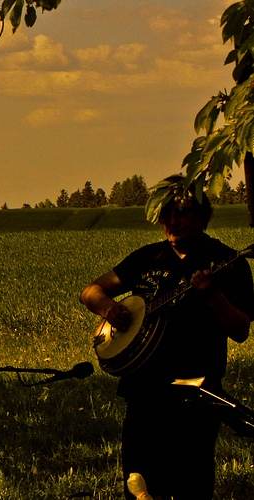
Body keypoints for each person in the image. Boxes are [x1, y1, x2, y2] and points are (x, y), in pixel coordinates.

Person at [80, 177, 254, 500]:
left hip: (196, 394)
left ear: (203, 217)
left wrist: (213, 296)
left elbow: (240, 330)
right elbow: (90, 291)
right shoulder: (148, 258)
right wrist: (108, 308)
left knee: (191, 485)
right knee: (140, 484)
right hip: (144, 393)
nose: (174, 220)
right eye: (167, 213)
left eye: (184, 212)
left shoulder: (229, 263)